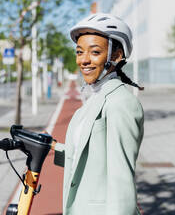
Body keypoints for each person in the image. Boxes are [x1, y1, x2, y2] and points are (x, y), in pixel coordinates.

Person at [50, 13, 144, 215]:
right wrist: (51, 148)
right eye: (79, 52)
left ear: (116, 56)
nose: (83, 60)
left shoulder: (120, 103)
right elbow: (91, 156)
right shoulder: (94, 98)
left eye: (94, 52)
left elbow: (122, 180)